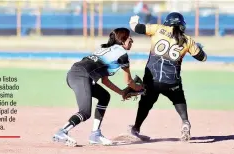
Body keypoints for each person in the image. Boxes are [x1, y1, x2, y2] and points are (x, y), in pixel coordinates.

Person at [52, 27, 144, 146]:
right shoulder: (122, 54)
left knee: (104, 96)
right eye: (129, 38)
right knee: (85, 112)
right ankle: (62, 132)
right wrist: (140, 89)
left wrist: (122, 92)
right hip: (81, 76)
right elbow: (129, 81)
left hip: (76, 74)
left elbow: (105, 81)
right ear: (122, 40)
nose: (132, 40)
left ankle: (95, 134)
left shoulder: (106, 49)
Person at [127, 12, 207, 142]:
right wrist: (199, 47)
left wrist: (134, 17)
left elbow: (135, 27)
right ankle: (185, 122)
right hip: (171, 82)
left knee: (145, 104)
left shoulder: (158, 29)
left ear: (167, 22)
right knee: (179, 99)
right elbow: (203, 58)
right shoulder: (187, 40)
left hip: (152, 80)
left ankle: (136, 129)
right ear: (182, 25)